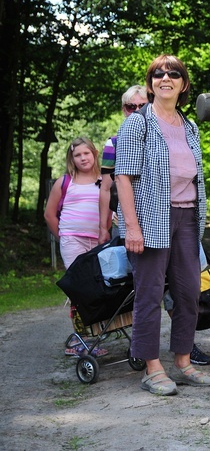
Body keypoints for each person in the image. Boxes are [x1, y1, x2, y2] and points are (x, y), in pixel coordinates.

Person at [116, 54, 210, 396]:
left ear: (183, 84)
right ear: (151, 82)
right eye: (158, 74)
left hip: (187, 218)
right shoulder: (137, 124)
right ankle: (151, 367)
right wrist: (131, 227)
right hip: (150, 218)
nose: (165, 78)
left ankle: (184, 363)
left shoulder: (190, 127)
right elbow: (123, 178)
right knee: (150, 294)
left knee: (189, 292)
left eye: (173, 74)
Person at [44, 136, 108, 356]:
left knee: (98, 287)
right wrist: (64, 238)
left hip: (98, 241)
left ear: (95, 153)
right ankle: (81, 341)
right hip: (73, 240)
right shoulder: (65, 182)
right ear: (72, 158)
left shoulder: (104, 180)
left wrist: (104, 231)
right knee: (78, 289)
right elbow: (50, 215)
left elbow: (108, 211)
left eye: (86, 153)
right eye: (77, 155)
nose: (82, 158)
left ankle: (95, 334)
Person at [98, 85, 148, 244]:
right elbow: (105, 187)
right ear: (124, 110)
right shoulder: (113, 142)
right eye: (131, 107)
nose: (137, 111)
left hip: (160, 221)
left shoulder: (165, 138)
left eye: (143, 106)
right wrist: (103, 228)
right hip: (123, 222)